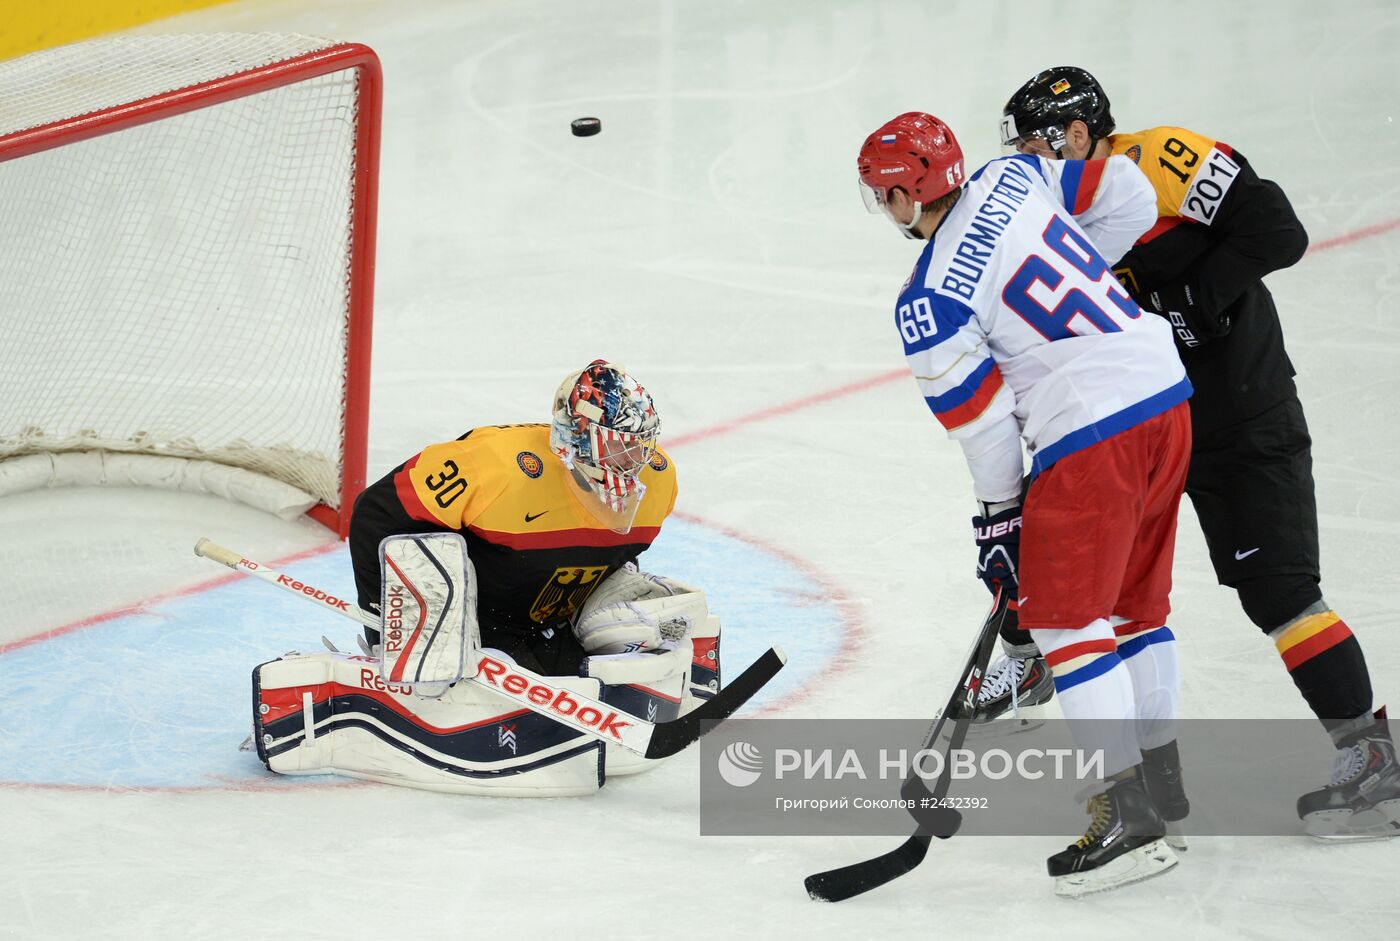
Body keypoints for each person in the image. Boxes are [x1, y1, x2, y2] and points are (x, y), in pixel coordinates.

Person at [997, 66, 1399, 841]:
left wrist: (1193, 299)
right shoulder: (1051, 213)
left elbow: (1279, 229)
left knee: (1279, 591)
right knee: (1102, 593)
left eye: (1034, 142)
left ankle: (1369, 752)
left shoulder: (1161, 157)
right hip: (1139, 425)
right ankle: (1134, 764)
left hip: (1240, 414)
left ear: (1079, 135)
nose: (1024, 158)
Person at [857, 111, 1192, 895]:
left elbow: (985, 430)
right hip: (1163, 390)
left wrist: (1000, 520)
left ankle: (1130, 810)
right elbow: (1132, 193)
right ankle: (1164, 779)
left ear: (908, 195)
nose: (887, 209)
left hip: (1091, 426)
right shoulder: (1017, 176)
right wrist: (1087, 284)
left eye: (886, 195)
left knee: (1068, 619)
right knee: (1136, 607)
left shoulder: (927, 298)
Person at [252, 360, 721, 796]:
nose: (631, 460)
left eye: (639, 444)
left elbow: (616, 554)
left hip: (549, 617)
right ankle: (413, 672)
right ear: (571, 437)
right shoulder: (493, 465)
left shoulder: (660, 480)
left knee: (632, 613)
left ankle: (583, 658)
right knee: (434, 590)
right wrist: (393, 623)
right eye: (615, 445)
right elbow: (378, 513)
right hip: (475, 624)